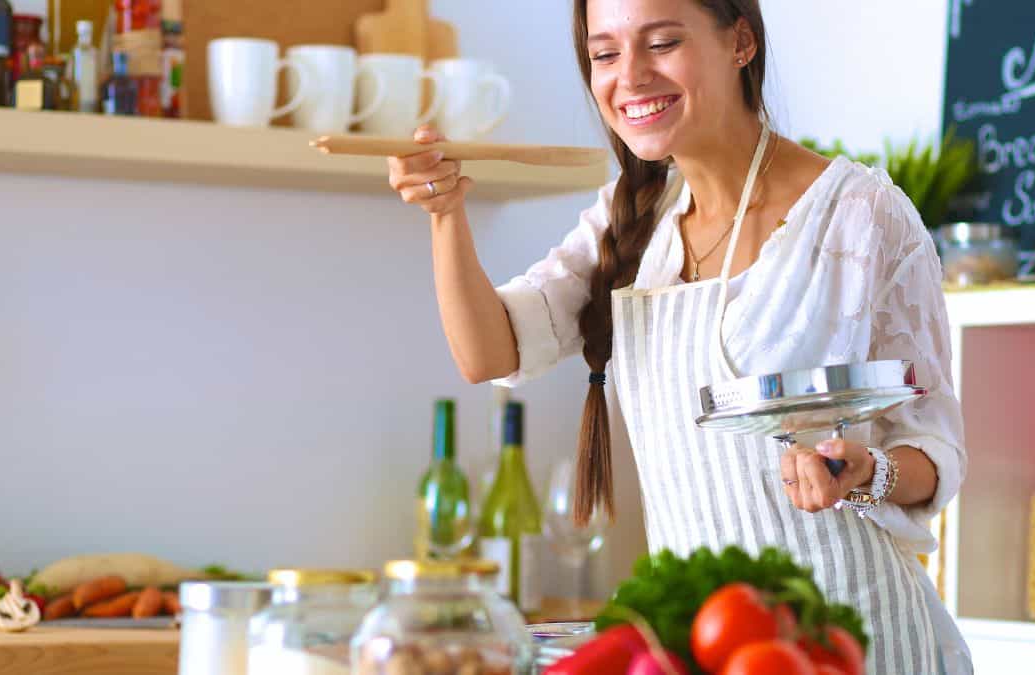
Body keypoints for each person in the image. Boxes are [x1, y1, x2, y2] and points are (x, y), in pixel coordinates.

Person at [386, 1, 970, 672]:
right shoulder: (629, 217)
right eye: (604, 54)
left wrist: (867, 470)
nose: (629, 77)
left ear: (741, 41)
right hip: (709, 643)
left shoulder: (860, 217)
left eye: (661, 43)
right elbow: (489, 351)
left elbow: (936, 449)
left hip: (855, 639)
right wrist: (445, 216)